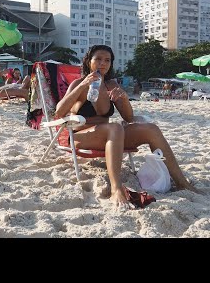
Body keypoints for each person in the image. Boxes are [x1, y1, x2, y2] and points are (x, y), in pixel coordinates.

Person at [55, 45, 197, 209]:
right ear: (88, 61)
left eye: (107, 60)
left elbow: (128, 117)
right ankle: (116, 188)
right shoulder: (78, 83)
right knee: (115, 127)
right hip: (82, 136)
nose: (103, 63)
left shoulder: (111, 84)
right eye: (98, 59)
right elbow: (59, 112)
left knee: (151, 129)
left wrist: (123, 99)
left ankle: (181, 183)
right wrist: (82, 86)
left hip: (111, 138)